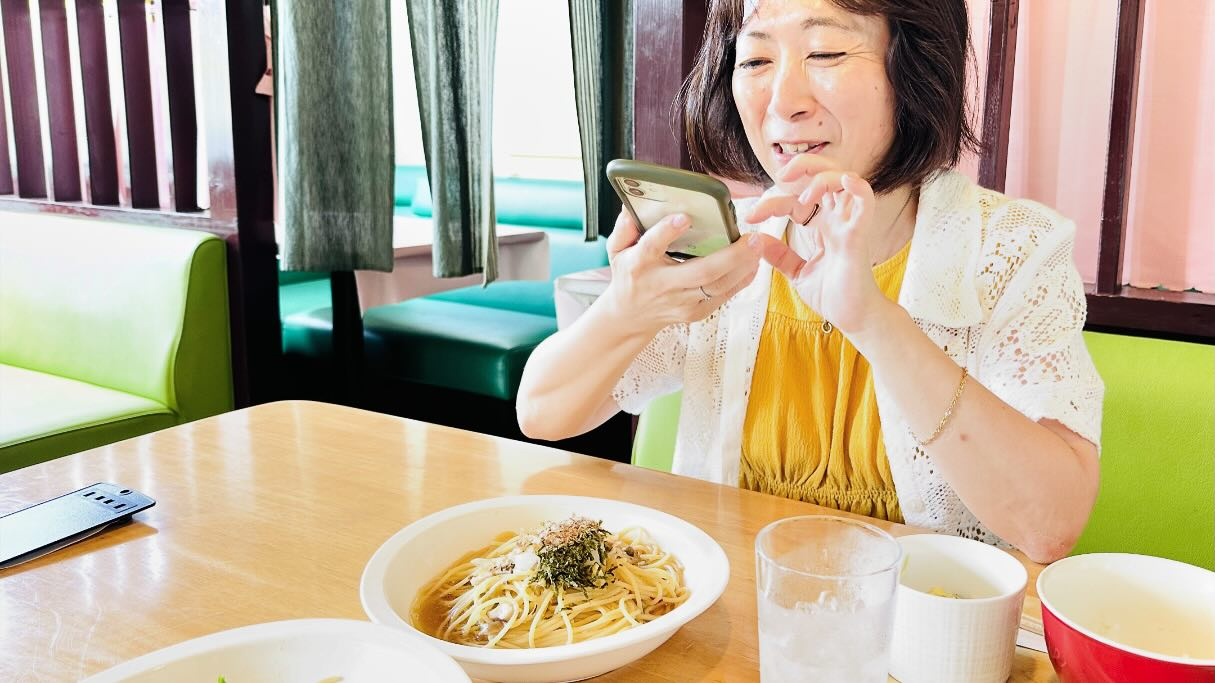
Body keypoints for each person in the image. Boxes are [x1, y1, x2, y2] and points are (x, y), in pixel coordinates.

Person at [517, 0, 1103, 563]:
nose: (783, 101)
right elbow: (542, 414)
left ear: (915, 66)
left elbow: (1049, 526)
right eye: (755, 61)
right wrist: (628, 308)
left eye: (824, 53)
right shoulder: (731, 250)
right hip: (733, 620)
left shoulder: (1014, 249)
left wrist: (872, 319)